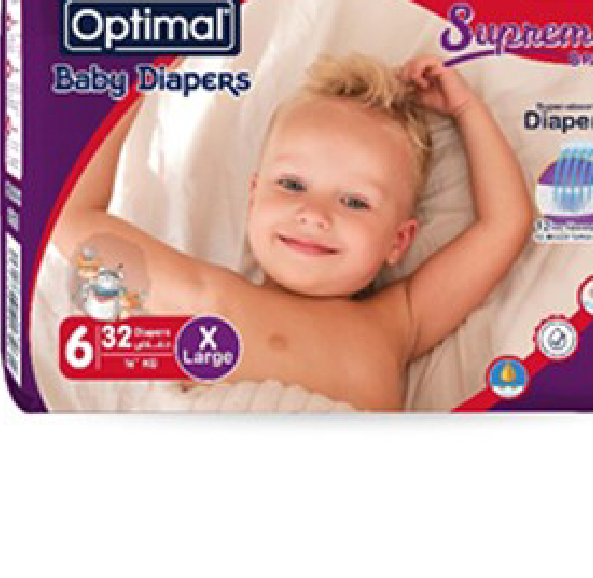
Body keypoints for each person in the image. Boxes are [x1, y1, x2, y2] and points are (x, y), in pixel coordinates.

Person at [53, 54, 533, 410]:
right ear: (253, 198)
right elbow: (72, 220)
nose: (314, 214)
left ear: (399, 241)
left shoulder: (399, 321)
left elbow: (505, 225)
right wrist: (133, 84)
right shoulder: (209, 298)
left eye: (355, 202)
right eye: (292, 185)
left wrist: (467, 110)